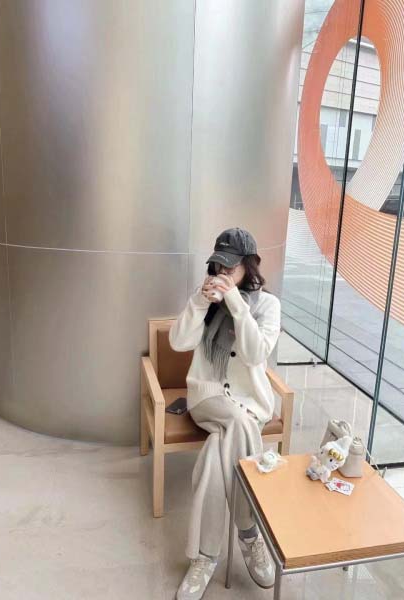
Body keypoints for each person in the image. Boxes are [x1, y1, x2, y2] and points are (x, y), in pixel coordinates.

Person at [169, 228, 281, 600]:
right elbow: (179, 342)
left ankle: (204, 557)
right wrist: (199, 303)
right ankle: (250, 535)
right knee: (237, 423)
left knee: (215, 460)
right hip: (207, 398)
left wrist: (235, 302)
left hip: (249, 404)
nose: (222, 272)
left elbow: (255, 353)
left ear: (249, 266)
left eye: (230, 267)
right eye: (218, 265)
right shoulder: (204, 301)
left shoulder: (267, 306)